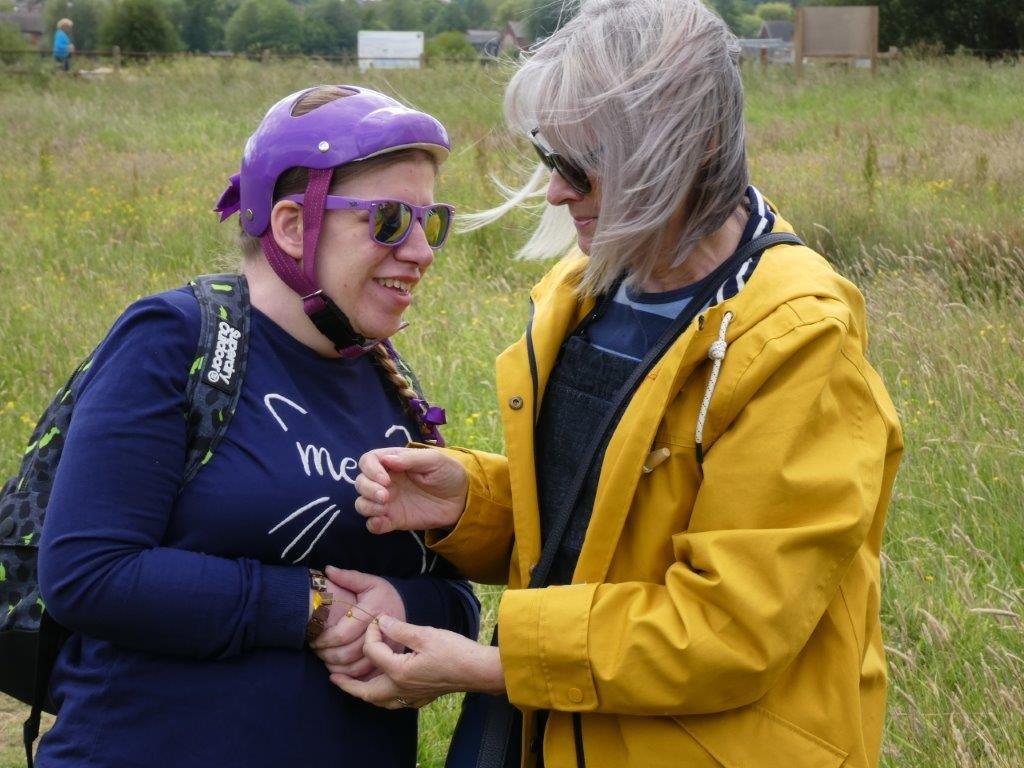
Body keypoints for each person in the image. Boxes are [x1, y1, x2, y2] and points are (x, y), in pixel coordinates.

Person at [335, 2, 904, 767]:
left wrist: (495, 668)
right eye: (549, 158)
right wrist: (472, 503)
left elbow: (730, 627)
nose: (554, 193)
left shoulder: (800, 344)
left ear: (686, 150)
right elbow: (602, 522)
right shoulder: (588, 291)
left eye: (580, 166)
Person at [36, 85, 478, 768]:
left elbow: (454, 599)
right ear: (295, 226)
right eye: (390, 220)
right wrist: (306, 606)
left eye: (432, 221)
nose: (422, 250)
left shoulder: (392, 383)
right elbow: (88, 572)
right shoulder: (177, 339)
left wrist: (397, 602)